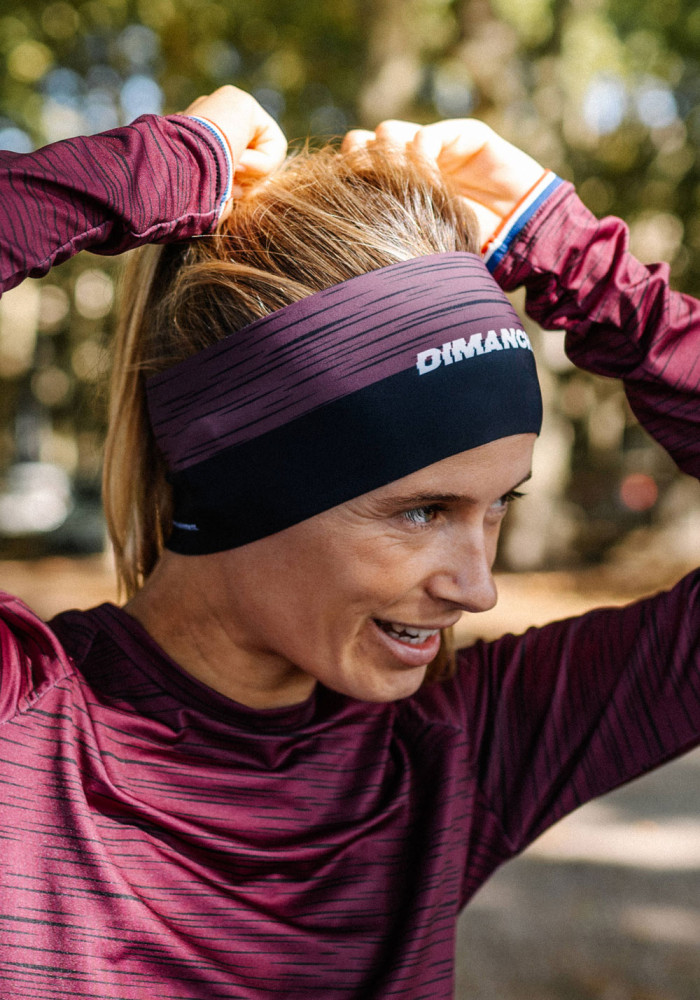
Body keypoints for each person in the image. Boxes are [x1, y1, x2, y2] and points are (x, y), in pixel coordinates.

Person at [0, 85, 697, 999]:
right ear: (246, 483)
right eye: (423, 511)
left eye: (497, 507)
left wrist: (586, 268)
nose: (477, 588)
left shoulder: (453, 751)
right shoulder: (25, 724)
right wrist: (150, 170)